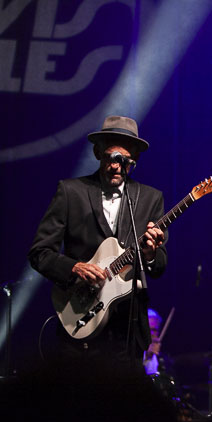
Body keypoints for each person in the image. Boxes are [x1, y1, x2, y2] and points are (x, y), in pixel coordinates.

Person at [28, 115, 167, 373]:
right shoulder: (71, 191)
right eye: (110, 157)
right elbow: (40, 252)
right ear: (97, 153)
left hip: (127, 331)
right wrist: (74, 268)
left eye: (123, 160)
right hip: (81, 323)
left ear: (134, 160)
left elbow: (158, 267)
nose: (115, 166)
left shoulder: (150, 198)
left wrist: (149, 254)